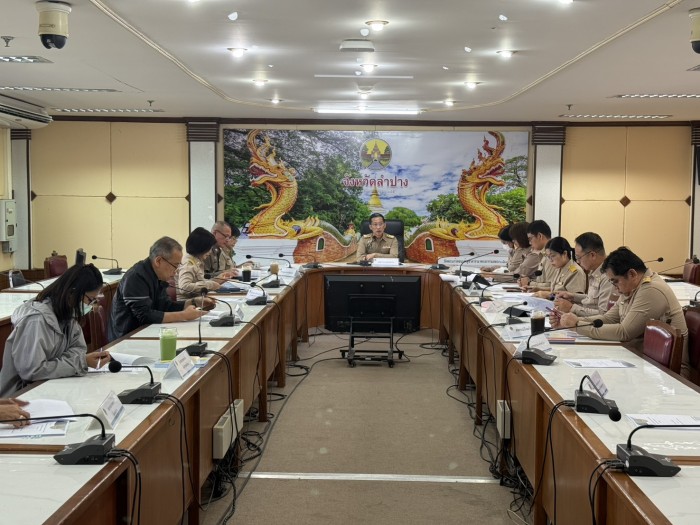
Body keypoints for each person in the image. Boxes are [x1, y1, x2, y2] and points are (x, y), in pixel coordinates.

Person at [556, 247, 688, 374]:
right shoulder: (633, 286)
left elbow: (624, 332)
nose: (615, 288)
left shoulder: (650, 290)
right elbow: (609, 318)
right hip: (643, 359)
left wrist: (577, 325)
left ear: (632, 274)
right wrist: (571, 321)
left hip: (667, 373)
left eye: (615, 282)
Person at [0, 264, 111, 397]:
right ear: (73, 293)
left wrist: (56, 365)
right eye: (90, 300)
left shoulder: (68, 315)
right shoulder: (35, 321)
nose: (90, 305)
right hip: (21, 395)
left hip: (50, 386)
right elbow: (32, 371)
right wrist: (80, 362)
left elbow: (79, 349)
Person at [108, 236, 214, 342]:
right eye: (175, 265)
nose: (176, 271)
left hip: (148, 332)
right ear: (158, 261)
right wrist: (184, 315)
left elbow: (165, 306)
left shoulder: (157, 275)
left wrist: (193, 302)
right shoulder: (136, 277)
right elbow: (145, 315)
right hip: (126, 339)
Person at [553, 232, 615, 316]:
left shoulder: (608, 276)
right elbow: (592, 299)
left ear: (592, 255)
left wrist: (571, 307)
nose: (578, 262)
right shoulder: (594, 271)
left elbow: (604, 315)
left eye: (578, 257)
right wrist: (572, 296)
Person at [176, 227, 223, 300]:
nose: (210, 252)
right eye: (209, 248)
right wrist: (209, 285)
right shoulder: (188, 264)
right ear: (201, 247)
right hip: (187, 304)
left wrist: (215, 281)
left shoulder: (196, 261)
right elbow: (184, 287)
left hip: (196, 300)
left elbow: (199, 282)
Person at [517, 220, 554, 289]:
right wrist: (526, 281)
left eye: (530, 239)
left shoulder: (552, 254)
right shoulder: (543, 253)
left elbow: (552, 285)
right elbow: (542, 280)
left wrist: (529, 283)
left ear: (540, 236)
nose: (530, 243)